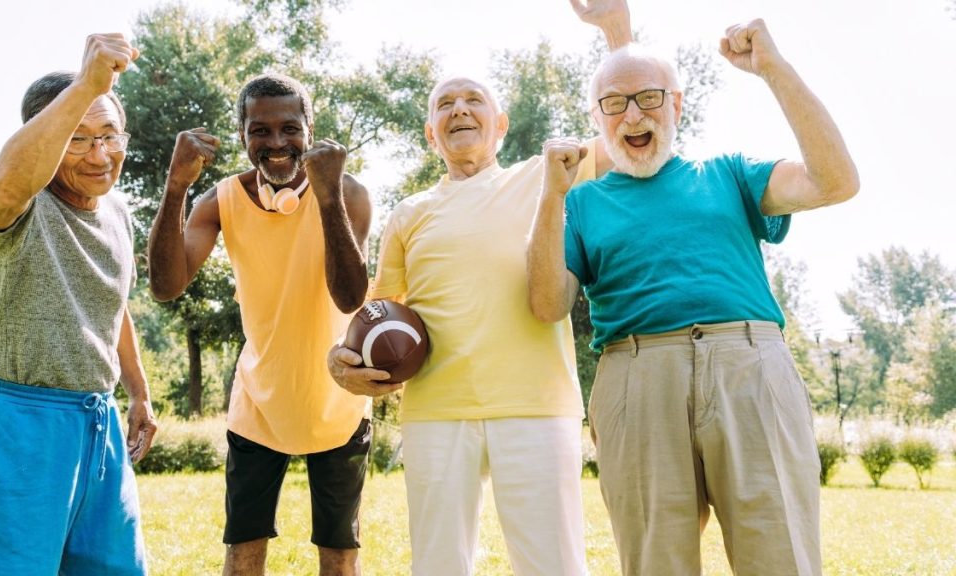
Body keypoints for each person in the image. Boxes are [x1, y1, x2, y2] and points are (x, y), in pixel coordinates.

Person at [527, 16, 859, 576]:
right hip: (636, 379)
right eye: (614, 103)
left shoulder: (730, 175)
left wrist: (773, 69)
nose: (633, 114)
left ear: (677, 105)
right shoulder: (580, 205)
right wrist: (550, 195)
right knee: (656, 560)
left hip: (748, 369)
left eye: (649, 97)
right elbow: (546, 305)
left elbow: (836, 182)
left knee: (781, 553)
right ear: (596, 119)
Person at [326, 2, 630, 574]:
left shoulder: (546, 175)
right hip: (436, 412)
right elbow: (378, 316)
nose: (459, 109)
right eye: (445, 103)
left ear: (501, 123)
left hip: (536, 406)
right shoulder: (409, 213)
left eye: (474, 101)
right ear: (430, 131)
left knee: (554, 566)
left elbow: (622, 131)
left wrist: (616, 33)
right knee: (439, 565)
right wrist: (341, 362)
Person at [0, 34, 158, 575]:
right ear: (47, 135)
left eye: (109, 135)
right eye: (78, 139)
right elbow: (7, 181)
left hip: (98, 422)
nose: (100, 155)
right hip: (20, 423)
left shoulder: (118, 214)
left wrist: (139, 394)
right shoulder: (15, 204)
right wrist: (86, 85)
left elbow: (111, 303)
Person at [147, 72, 373, 576]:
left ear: (310, 131)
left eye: (290, 129)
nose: (276, 143)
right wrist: (176, 185)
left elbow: (350, 295)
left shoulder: (349, 193)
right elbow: (165, 285)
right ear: (243, 134)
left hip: (339, 402)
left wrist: (327, 196)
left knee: (340, 560)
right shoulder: (222, 200)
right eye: (259, 131)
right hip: (257, 405)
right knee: (242, 556)